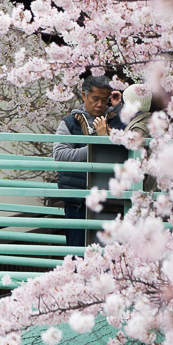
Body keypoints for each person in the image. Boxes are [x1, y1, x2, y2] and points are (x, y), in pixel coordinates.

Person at [53, 75, 123, 249]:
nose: (100, 104)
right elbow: (60, 155)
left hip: (111, 201)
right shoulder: (70, 123)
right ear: (84, 96)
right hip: (77, 200)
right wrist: (98, 145)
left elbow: (127, 152)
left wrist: (121, 106)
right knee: (77, 253)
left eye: (104, 100)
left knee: (111, 255)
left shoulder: (117, 121)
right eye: (95, 99)